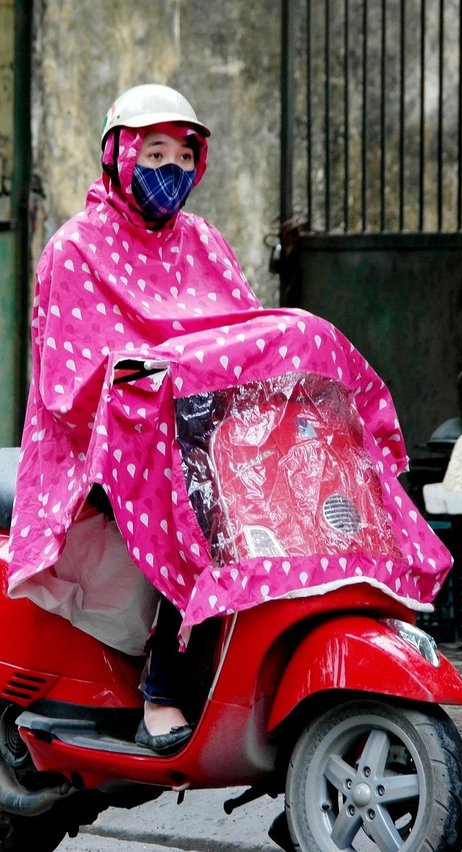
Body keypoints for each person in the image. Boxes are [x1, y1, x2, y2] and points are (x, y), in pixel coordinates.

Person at [8, 83, 261, 755]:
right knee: (197, 509)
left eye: (184, 156)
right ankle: (163, 689)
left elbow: (242, 330)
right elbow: (70, 391)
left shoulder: (204, 242)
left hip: (194, 436)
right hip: (99, 448)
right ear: (118, 155)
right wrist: (144, 390)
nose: (170, 172)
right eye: (154, 153)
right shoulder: (74, 248)